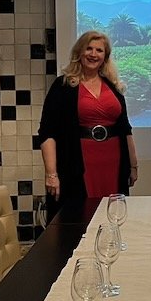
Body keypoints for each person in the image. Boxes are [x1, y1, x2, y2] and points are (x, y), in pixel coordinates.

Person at [38, 30, 138, 217]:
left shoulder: (113, 86)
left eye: (99, 50)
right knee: (77, 218)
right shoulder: (63, 86)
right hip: (75, 164)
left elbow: (126, 129)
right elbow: (47, 132)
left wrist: (133, 166)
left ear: (105, 56)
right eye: (89, 49)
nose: (93, 54)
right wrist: (51, 174)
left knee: (113, 216)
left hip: (113, 162)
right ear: (79, 52)